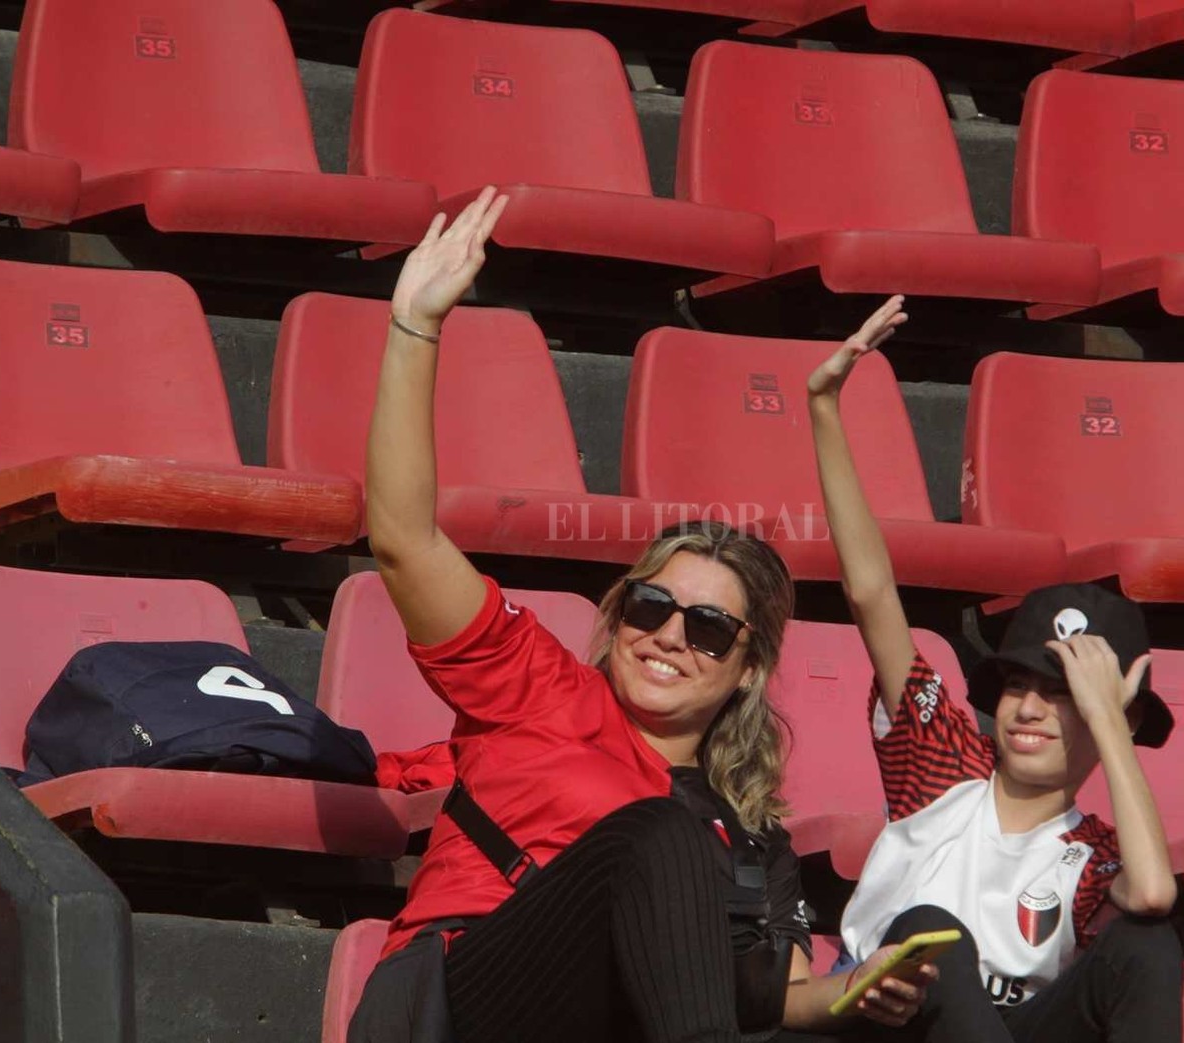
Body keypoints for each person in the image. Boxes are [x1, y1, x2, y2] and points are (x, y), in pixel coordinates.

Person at [348, 191, 939, 1043]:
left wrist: (861, 989)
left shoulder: (749, 830)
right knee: (657, 829)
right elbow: (402, 539)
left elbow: (775, 995)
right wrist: (415, 328)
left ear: (746, 665)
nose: (668, 635)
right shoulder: (539, 690)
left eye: (706, 626)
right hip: (451, 1005)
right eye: (652, 604)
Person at [795, 295, 1184, 1043]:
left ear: (1113, 717)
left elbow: (1152, 889)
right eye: (1017, 686)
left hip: (1009, 1031)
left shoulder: (1097, 849)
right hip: (884, 1023)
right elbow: (872, 591)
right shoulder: (940, 763)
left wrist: (1109, 717)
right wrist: (823, 408)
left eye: (1063, 693)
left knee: (1146, 942)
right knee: (930, 929)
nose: (1030, 708)